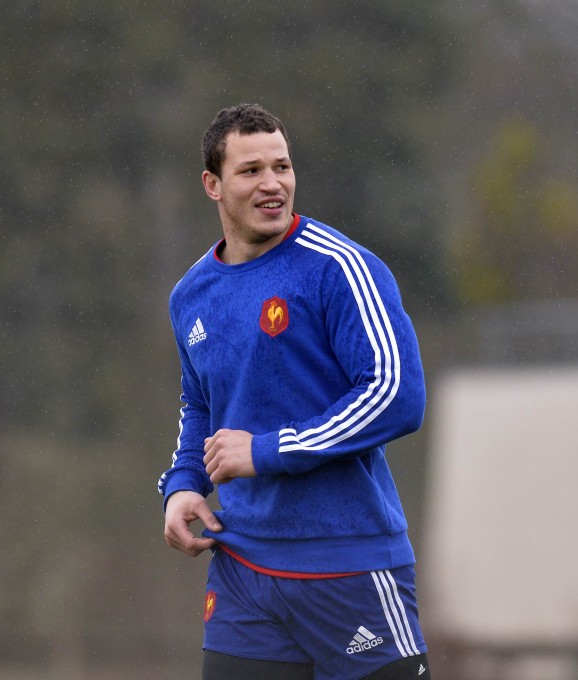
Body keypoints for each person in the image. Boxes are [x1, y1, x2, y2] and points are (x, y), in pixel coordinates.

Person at [158, 103, 432, 680]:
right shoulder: (191, 295)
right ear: (213, 184)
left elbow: (397, 394)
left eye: (281, 167)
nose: (272, 184)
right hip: (242, 571)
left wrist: (266, 451)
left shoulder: (339, 268)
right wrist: (185, 484)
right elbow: (200, 405)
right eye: (251, 170)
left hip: (347, 565)